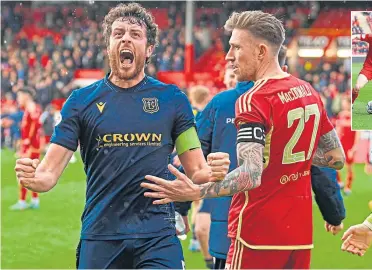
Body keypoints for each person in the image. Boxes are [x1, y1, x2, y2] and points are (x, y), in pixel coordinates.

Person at [14, 3, 230, 269]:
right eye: (118, 33)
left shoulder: (173, 100)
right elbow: (49, 172)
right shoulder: (81, 101)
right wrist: (34, 178)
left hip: (157, 235)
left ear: (149, 49)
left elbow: (197, 168)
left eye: (135, 34)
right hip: (101, 234)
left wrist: (213, 171)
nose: (126, 38)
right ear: (108, 47)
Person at [142, 10, 345, 269]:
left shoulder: (253, 99)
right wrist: (285, 156)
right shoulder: (308, 91)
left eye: (236, 47)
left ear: (261, 51)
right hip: (298, 235)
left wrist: (196, 192)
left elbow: (251, 175)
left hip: (255, 236)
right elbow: (335, 159)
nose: (229, 56)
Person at [11, 87, 42, 210]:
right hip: (30, 145)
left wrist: (28, 140)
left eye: (19, 96)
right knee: (30, 174)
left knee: (24, 173)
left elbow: (35, 124)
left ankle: (23, 202)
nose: (18, 99)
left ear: (26, 96)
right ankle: (34, 200)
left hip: (31, 146)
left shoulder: (31, 107)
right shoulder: (29, 108)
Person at [336, 94, 357, 195]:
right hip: (341, 144)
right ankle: (339, 182)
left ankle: (348, 187)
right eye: (343, 103)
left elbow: (357, 133)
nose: (343, 105)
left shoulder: (354, 115)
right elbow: (338, 130)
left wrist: (354, 148)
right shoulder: (341, 114)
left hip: (350, 145)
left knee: (349, 167)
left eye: (345, 103)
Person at [352, 34, 372, 104]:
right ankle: (351, 103)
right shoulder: (371, 37)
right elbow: (358, 36)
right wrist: (352, 37)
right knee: (357, 87)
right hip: (369, 68)